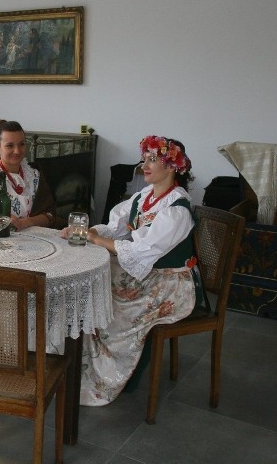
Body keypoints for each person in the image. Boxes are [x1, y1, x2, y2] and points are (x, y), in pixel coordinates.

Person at [65, 135, 200, 406]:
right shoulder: (145, 197)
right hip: (147, 274)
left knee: (111, 308)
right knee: (92, 289)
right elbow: (115, 228)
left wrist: (95, 239)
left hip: (171, 283)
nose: (144, 166)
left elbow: (142, 251)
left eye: (153, 160)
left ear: (172, 167)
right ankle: (83, 367)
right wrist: (89, 231)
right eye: (145, 159)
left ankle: (111, 378)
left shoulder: (177, 210)